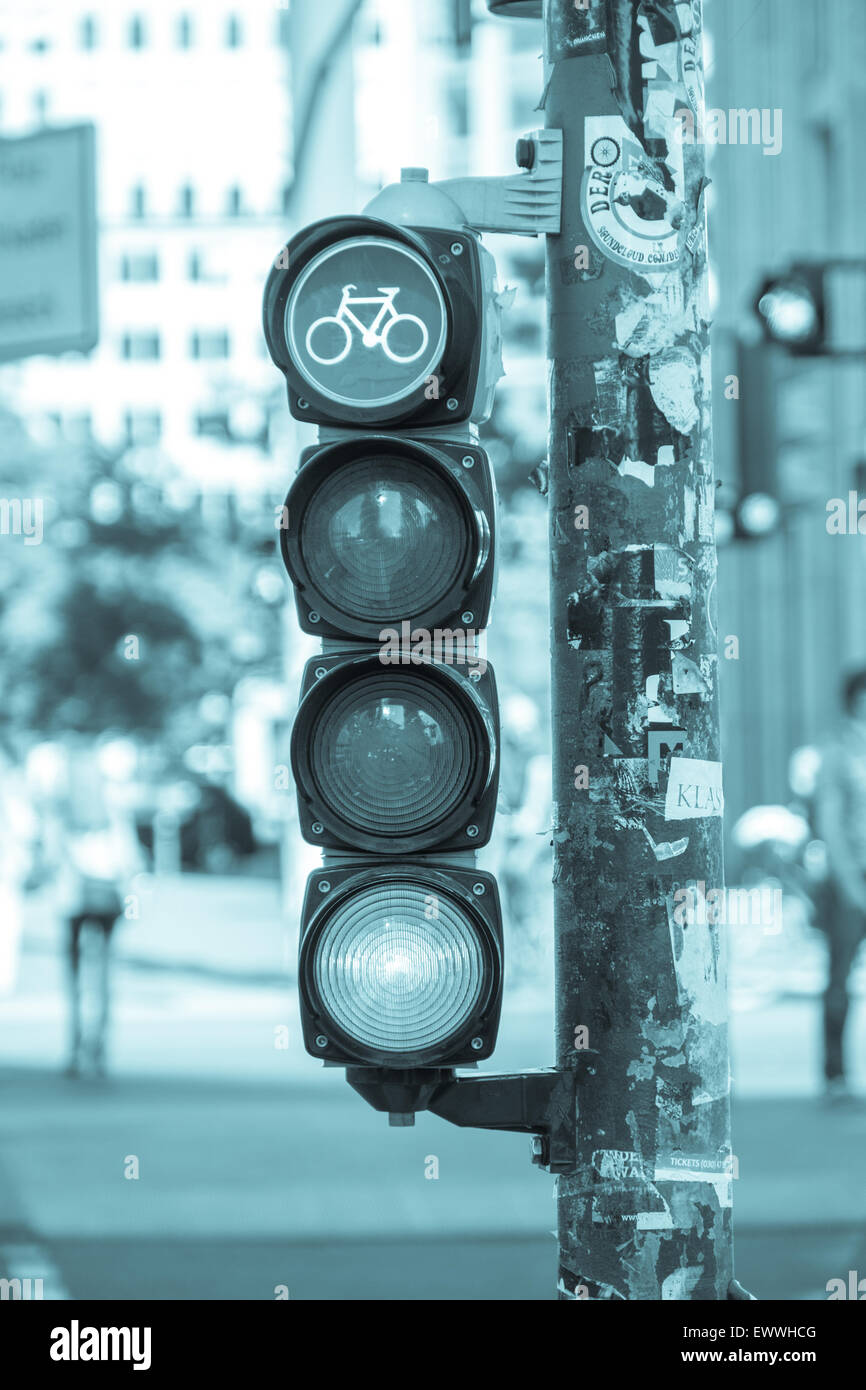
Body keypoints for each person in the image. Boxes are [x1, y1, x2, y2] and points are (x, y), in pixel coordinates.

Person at [51, 753, 141, 1078]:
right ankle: (99, 1045)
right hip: (106, 895)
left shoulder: (63, 809)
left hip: (74, 897)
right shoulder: (110, 807)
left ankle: (76, 1046)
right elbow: (129, 856)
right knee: (103, 973)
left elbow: (53, 855)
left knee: (75, 975)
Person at [814, 668, 866, 1099]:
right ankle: (835, 1075)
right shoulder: (838, 752)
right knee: (839, 978)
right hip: (851, 875)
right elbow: (829, 822)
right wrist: (850, 883)